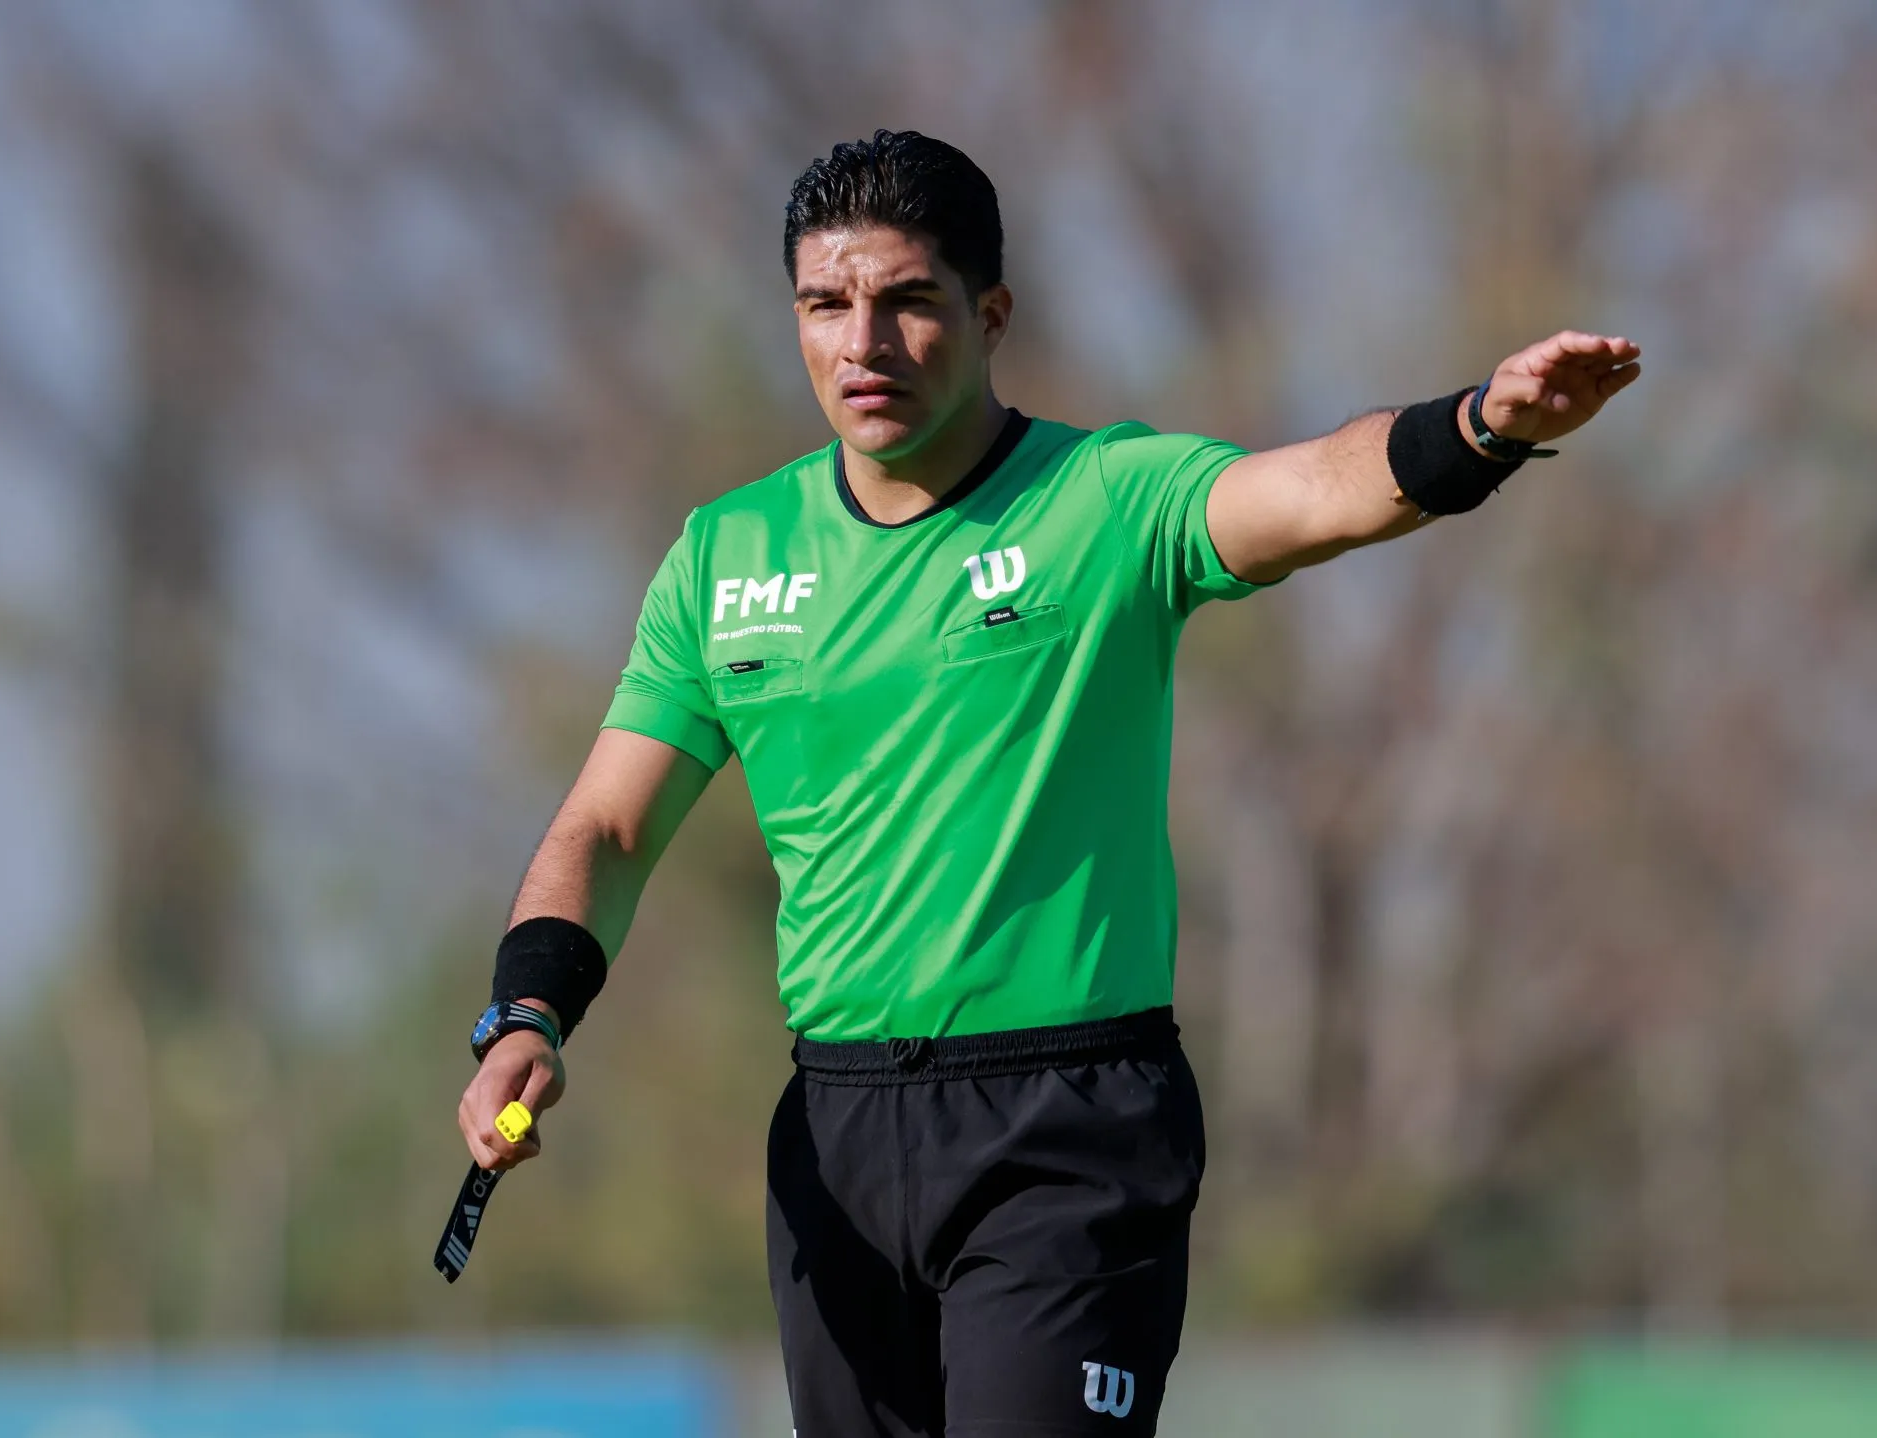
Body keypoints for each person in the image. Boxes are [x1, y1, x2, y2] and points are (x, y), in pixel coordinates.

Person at [454, 129, 1640, 1436]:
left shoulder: (1102, 501)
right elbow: (609, 825)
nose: (865, 345)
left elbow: (1312, 492)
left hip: (1066, 1134)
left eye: (909, 300)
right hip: (837, 1137)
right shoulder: (723, 554)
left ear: (990, 312)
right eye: (826, 305)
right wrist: (528, 1014)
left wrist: (1482, 426)